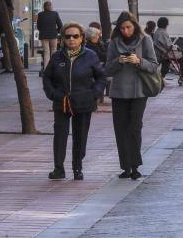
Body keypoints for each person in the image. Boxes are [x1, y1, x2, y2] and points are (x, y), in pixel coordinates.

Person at [43, 22, 106, 180]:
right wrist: (53, 94)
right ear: (63, 39)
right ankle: (59, 168)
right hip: (62, 102)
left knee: (80, 136)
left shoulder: (90, 55)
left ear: (82, 38)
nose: (71, 39)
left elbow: (101, 76)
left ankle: (77, 168)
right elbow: (47, 77)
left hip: (83, 102)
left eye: (75, 36)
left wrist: (95, 94)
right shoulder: (57, 56)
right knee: (60, 135)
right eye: (67, 36)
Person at [106, 11, 159, 180]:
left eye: (128, 27)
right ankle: (125, 167)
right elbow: (107, 68)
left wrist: (138, 61)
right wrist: (119, 62)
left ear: (135, 26)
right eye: (122, 28)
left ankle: (135, 165)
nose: (125, 31)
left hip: (138, 92)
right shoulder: (114, 43)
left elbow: (154, 66)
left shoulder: (145, 40)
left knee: (134, 128)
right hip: (119, 92)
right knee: (120, 129)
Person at [36, 1, 63, 75]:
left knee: (46, 52)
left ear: (44, 7)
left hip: (43, 36)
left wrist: (42, 30)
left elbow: (38, 26)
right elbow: (60, 25)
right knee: (54, 51)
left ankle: (46, 70)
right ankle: (54, 68)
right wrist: (56, 31)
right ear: (50, 6)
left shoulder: (40, 14)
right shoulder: (55, 14)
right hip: (53, 35)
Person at [85, 26, 108, 104]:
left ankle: (99, 97)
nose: (99, 36)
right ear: (93, 37)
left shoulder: (99, 44)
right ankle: (97, 97)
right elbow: (101, 56)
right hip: (94, 69)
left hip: (101, 66)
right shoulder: (89, 46)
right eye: (98, 35)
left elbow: (104, 55)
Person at [0, 0, 15, 73]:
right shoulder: (10, 9)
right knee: (7, 49)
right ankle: (9, 66)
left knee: (5, 49)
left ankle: (8, 67)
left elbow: (1, 21)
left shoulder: (5, 9)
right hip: (7, 31)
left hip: (4, 31)